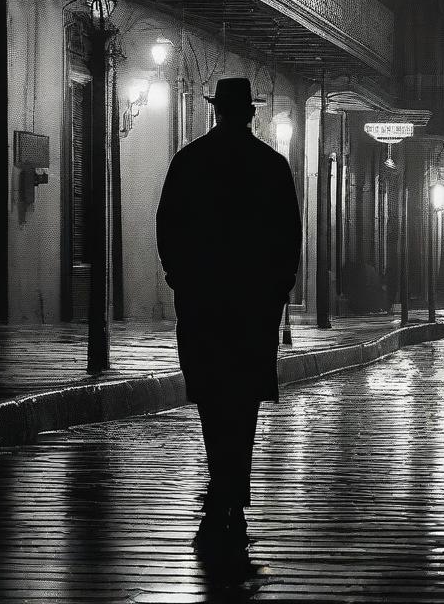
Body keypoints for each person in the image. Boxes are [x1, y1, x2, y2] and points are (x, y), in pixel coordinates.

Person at [156, 77, 302, 556]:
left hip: (202, 299)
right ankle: (234, 482)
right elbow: (288, 235)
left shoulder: (189, 161)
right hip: (254, 302)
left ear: (217, 111)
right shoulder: (272, 165)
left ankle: (223, 480)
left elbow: (168, 225)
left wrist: (182, 278)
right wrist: (278, 289)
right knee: (244, 395)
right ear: (251, 114)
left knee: (211, 392)